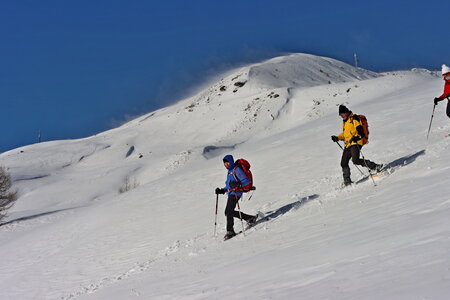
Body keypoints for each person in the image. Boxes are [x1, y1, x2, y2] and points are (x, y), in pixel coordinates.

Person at [331, 105, 383, 186]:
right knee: (343, 163)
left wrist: (357, 137)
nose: (341, 116)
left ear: (346, 112)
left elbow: (360, 130)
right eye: (340, 115)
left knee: (355, 160)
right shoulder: (345, 122)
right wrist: (337, 137)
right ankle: (347, 182)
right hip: (348, 145)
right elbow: (345, 134)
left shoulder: (354, 118)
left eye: (342, 114)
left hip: (356, 143)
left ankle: (375, 166)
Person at [215, 155, 257, 240]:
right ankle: (249, 218)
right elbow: (229, 186)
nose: (226, 164)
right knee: (228, 212)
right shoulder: (230, 172)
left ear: (231, 161)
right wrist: (222, 190)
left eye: (227, 162)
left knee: (228, 211)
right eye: (224, 163)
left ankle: (230, 231)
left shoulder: (236, 170)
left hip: (236, 193)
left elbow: (246, 181)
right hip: (232, 193)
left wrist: (238, 185)